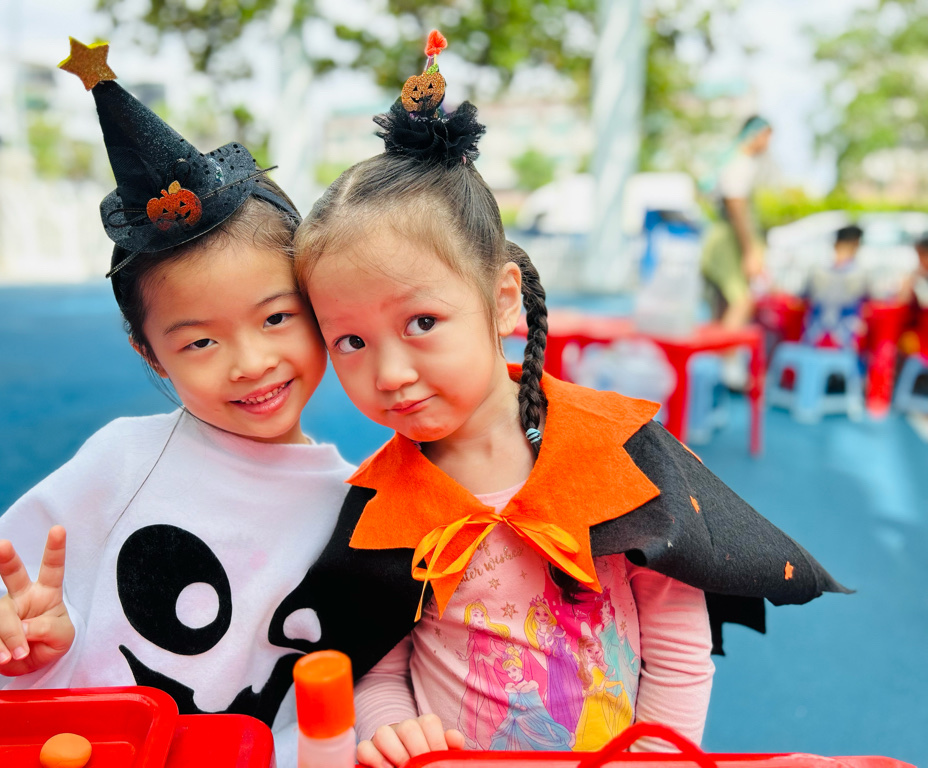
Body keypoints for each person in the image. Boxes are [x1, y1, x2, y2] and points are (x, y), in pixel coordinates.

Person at [288, 32, 848, 765]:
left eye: (421, 323)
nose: (388, 372)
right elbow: (377, 668)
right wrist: (394, 729)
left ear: (502, 301)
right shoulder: (380, 506)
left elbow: (678, 649)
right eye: (350, 341)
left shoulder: (609, 453)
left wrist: (655, 760)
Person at [0, 39, 354, 764]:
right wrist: (22, 645)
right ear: (149, 353)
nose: (250, 363)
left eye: (276, 317)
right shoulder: (123, 463)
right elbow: (3, 657)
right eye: (200, 342)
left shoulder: (356, 502)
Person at [700, 115, 773, 334]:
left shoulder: (733, 162)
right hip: (729, 242)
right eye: (766, 137)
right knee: (741, 302)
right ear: (755, 135)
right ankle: (727, 353)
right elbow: (736, 206)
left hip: (724, 239)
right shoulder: (740, 164)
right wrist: (750, 252)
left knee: (723, 307)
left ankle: (718, 353)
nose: (767, 144)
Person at [802, 225, 868, 349]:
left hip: (814, 336)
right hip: (846, 339)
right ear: (856, 245)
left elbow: (802, 296)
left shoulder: (817, 271)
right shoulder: (860, 274)